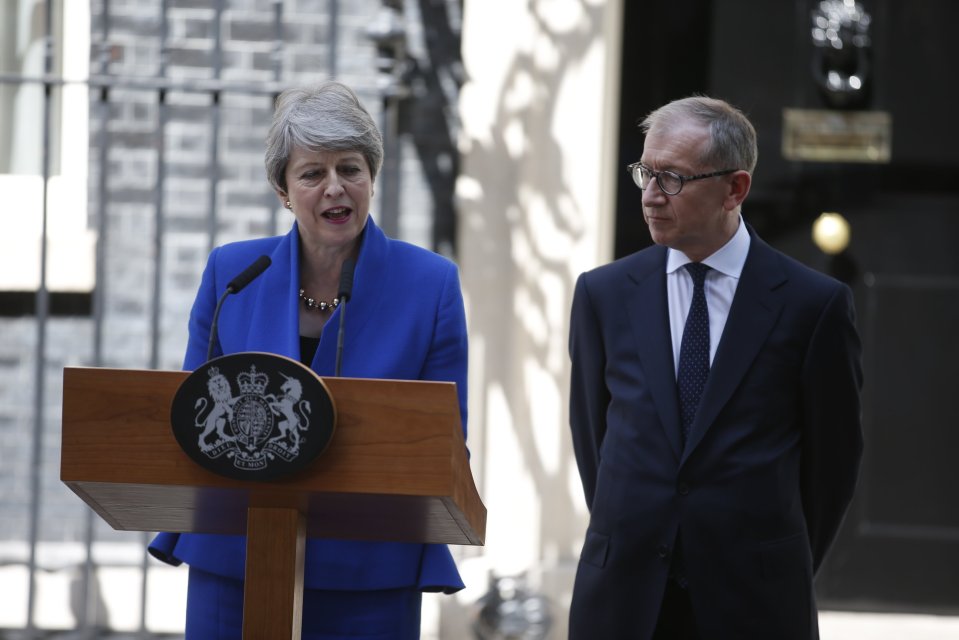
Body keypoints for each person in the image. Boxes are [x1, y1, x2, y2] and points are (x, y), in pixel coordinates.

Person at [148, 80, 469, 639]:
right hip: (236, 556)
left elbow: (445, 437)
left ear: (372, 176)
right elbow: (191, 418)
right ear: (282, 189)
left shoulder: (430, 284)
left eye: (350, 168)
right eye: (312, 173)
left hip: (370, 568)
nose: (334, 188)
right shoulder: (233, 275)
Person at [567, 96, 863, 639]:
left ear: (736, 189)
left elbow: (833, 466)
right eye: (645, 174)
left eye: (673, 179)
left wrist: (775, 559)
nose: (652, 197)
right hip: (623, 600)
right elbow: (594, 440)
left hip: (756, 601)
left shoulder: (812, 305)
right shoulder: (603, 294)